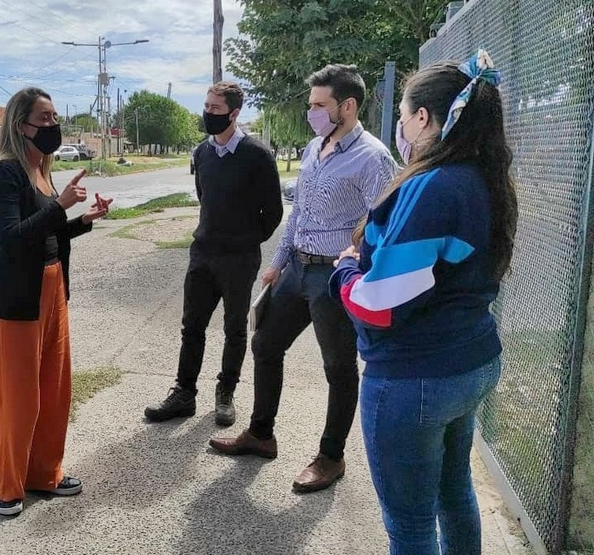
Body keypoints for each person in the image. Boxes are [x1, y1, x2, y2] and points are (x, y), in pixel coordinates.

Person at [331, 50, 517, 554]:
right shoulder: (483, 177)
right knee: (454, 494)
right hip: (469, 361)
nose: (399, 127)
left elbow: (379, 306)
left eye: (401, 116)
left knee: (410, 525)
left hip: (415, 379)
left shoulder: (432, 185)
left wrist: (346, 267)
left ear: (422, 118)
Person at [209, 65, 398, 493]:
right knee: (265, 344)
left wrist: (355, 263)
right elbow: (298, 214)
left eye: (318, 105)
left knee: (338, 367)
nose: (310, 111)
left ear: (346, 107)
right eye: (310, 103)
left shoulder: (372, 157)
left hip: (334, 276)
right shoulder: (315, 148)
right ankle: (261, 433)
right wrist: (277, 262)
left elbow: (383, 225)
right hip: (297, 268)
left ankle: (331, 457)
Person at [0, 87, 112, 517]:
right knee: (16, 397)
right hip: (11, 300)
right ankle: (1, 483)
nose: (53, 126)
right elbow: (9, 240)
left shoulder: (42, 170)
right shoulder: (4, 172)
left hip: (51, 290)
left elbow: (44, 237)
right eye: (44, 119)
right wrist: (58, 205)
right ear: (20, 125)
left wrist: (81, 221)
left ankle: (42, 473)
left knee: (53, 388)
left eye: (55, 118)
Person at [144, 81, 283, 427]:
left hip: (239, 258)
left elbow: (274, 212)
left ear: (234, 114)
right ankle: (184, 393)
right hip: (202, 254)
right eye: (206, 107)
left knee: (234, 328)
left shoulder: (257, 155)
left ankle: (225, 394)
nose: (208, 114)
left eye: (215, 109)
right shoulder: (201, 153)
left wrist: (245, 239)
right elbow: (204, 197)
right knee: (192, 326)